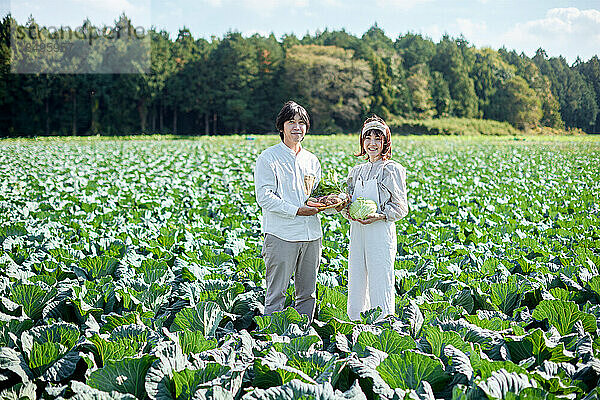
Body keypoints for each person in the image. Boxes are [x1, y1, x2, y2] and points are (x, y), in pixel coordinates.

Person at [254, 101, 322, 321]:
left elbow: (318, 196)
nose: (297, 127)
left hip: (312, 236)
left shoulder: (311, 160)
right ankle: (271, 339)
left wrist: (333, 203)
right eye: (291, 122)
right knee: (276, 295)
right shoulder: (269, 158)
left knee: (307, 295)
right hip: (281, 235)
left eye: (301, 123)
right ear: (281, 126)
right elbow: (264, 197)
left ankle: (302, 336)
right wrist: (296, 211)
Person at [341, 115, 408, 321]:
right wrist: (342, 206)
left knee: (380, 280)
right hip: (358, 232)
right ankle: (356, 324)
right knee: (357, 278)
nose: (372, 143)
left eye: (377, 138)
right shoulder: (356, 171)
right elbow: (346, 203)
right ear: (362, 141)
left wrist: (379, 216)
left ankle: (383, 325)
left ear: (385, 142)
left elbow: (400, 207)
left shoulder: (391, 169)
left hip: (380, 232)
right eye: (367, 138)